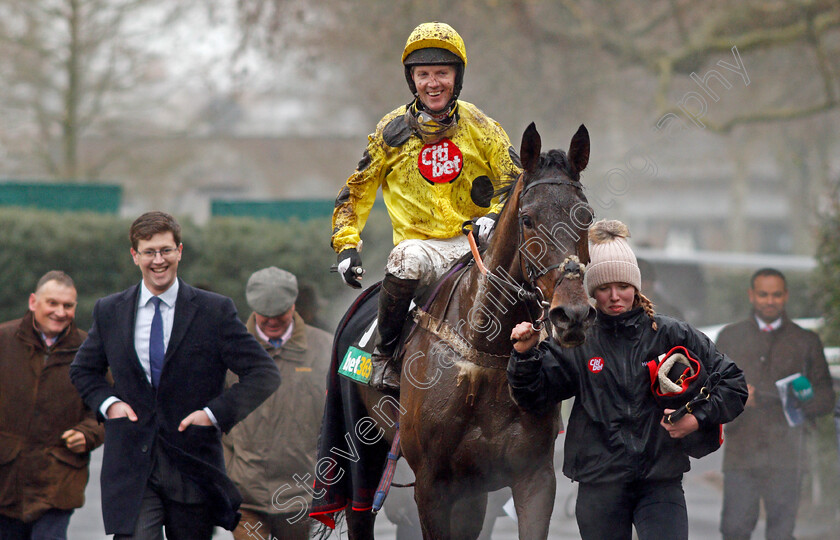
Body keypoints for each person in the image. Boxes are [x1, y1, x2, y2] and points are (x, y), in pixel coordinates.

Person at [507, 219, 747, 540]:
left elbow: (733, 384)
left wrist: (694, 418)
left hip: (661, 483)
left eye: (623, 286)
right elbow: (532, 396)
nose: (615, 296)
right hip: (599, 486)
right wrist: (524, 354)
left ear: (636, 286)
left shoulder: (671, 333)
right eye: (604, 288)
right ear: (593, 292)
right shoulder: (576, 340)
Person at [331, 21, 521, 391]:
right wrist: (346, 246)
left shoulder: (481, 125)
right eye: (424, 74)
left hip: (479, 245)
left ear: (457, 77)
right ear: (412, 80)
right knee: (406, 261)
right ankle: (384, 357)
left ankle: (539, 371)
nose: (433, 83)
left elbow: (515, 177)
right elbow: (355, 192)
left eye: (442, 73)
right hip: (422, 249)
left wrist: (495, 216)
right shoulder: (390, 131)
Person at [70, 211, 281, 539]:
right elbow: (83, 369)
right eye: (149, 252)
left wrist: (212, 414)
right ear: (134, 256)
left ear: (179, 251)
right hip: (132, 467)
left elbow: (264, 373)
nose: (159, 260)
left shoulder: (215, 311)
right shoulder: (110, 310)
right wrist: (109, 404)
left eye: (166, 250)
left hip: (193, 466)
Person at [717, 268, 835, 540]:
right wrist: (737, 400)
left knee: (781, 534)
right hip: (741, 453)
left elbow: (826, 397)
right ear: (751, 295)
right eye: (763, 294)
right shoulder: (730, 337)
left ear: (786, 296)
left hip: (789, 456)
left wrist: (779, 398)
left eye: (776, 295)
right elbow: (712, 390)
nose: (770, 301)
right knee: (734, 530)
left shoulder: (806, 341)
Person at [223, 267, 331, 540]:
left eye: (279, 314)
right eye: (264, 314)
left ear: (293, 304)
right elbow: (211, 418)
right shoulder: (229, 352)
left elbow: (340, 418)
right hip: (246, 498)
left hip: (302, 497)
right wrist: (226, 474)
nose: (271, 321)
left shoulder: (326, 349)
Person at [0, 271, 105, 539]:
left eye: (68, 306)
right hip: (5, 477)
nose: (60, 312)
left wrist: (87, 434)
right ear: (34, 302)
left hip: (58, 477)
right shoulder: (4, 340)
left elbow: (104, 407)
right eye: (52, 303)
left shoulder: (91, 350)